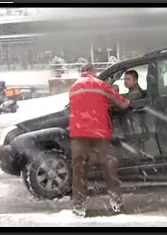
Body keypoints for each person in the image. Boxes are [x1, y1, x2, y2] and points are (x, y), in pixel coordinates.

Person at [69, 64, 130, 217]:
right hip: (99, 133)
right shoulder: (100, 85)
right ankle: (117, 202)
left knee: (79, 172)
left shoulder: (74, 88)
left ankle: (79, 207)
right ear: (93, 72)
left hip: (78, 135)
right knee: (109, 168)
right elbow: (121, 103)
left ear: (81, 73)